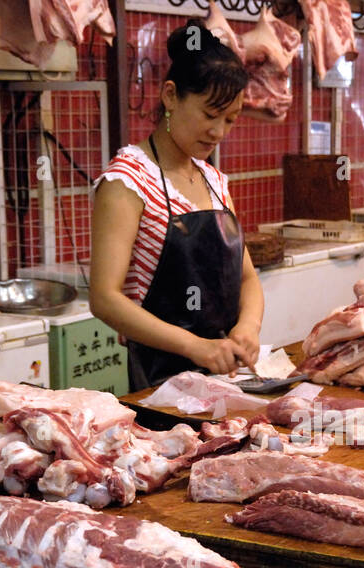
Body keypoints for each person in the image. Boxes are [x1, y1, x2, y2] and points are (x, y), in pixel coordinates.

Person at [89, 20, 263, 390]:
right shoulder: (128, 180)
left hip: (225, 380)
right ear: (170, 96)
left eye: (230, 120)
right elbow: (104, 298)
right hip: (159, 387)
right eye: (209, 114)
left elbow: (248, 278)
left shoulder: (214, 181)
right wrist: (194, 346)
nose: (219, 132)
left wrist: (248, 328)